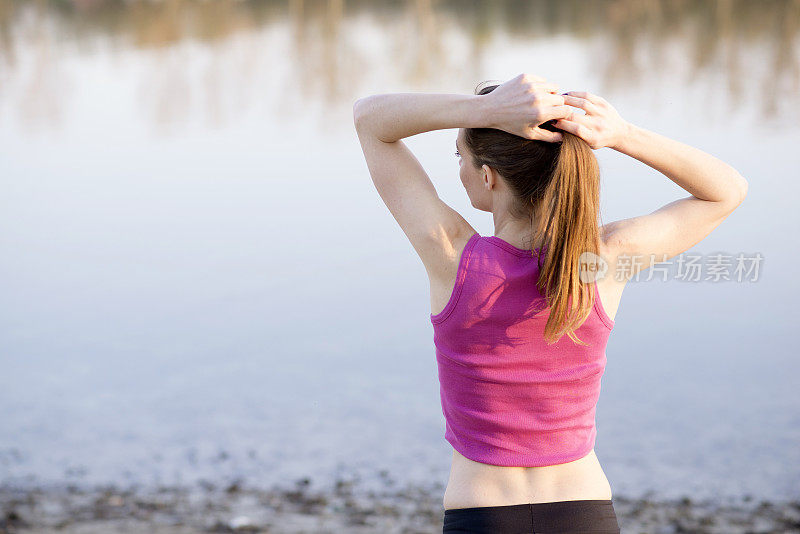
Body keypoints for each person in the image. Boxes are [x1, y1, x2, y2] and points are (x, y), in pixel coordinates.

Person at [352, 73, 748, 534]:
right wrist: (622, 136)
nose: (458, 168)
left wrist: (484, 111)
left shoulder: (453, 257)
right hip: (584, 513)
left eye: (460, 156)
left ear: (488, 176)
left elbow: (370, 119)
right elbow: (727, 190)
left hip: (484, 514)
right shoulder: (602, 261)